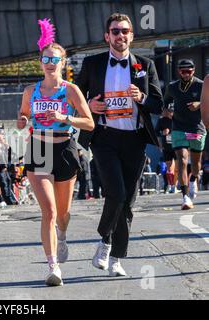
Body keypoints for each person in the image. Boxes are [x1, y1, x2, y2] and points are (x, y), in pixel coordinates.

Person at [77, 13, 163, 277]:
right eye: (115, 31)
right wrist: (89, 106)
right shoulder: (92, 64)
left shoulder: (144, 65)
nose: (120, 35)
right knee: (116, 192)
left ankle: (116, 257)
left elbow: (158, 103)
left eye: (125, 31)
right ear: (107, 36)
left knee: (127, 201)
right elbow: (76, 97)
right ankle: (105, 240)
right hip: (104, 137)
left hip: (134, 140)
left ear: (131, 35)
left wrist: (143, 97)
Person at [17, 18, 94, 286]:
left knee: (62, 214)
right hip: (39, 148)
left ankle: (62, 234)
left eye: (55, 59)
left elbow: (89, 122)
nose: (50, 63)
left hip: (64, 148)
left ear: (63, 63)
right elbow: (24, 116)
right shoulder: (30, 91)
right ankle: (53, 266)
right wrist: (23, 121)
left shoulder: (70, 90)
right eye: (46, 59)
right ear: (40, 62)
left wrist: (66, 117)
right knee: (48, 211)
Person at [164, 59, 206, 210]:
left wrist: (200, 104)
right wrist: (167, 111)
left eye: (189, 71)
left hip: (196, 128)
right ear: (179, 72)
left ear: (194, 71)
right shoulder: (172, 87)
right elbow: (165, 103)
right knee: (181, 159)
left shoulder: (201, 85)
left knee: (195, 164)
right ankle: (185, 197)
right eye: (183, 71)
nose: (186, 74)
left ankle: (194, 178)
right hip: (179, 128)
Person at [155, 106, 177, 193]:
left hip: (177, 146)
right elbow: (156, 131)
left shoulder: (177, 119)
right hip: (166, 146)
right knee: (169, 168)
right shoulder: (161, 120)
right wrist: (162, 133)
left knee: (176, 168)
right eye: (164, 111)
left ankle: (175, 185)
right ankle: (171, 185)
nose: (164, 112)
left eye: (167, 111)